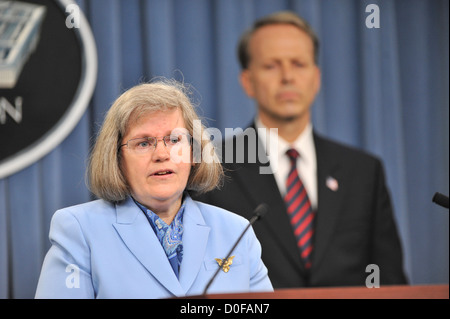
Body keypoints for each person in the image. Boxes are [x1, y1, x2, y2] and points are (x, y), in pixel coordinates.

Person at [193, 11, 407, 288]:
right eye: (271, 65)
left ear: (316, 78)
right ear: (248, 81)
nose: (287, 77)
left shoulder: (363, 172)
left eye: (298, 64)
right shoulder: (214, 168)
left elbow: (390, 282)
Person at [35, 80, 272, 298]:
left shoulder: (237, 231)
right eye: (144, 143)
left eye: (175, 140)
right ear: (117, 159)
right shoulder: (79, 231)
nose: (161, 154)